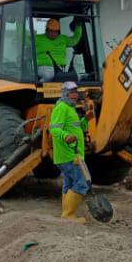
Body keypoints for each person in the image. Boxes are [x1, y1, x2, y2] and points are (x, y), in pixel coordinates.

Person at [48, 81, 89, 222]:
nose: (75, 95)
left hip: (73, 153)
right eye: (72, 92)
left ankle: (65, 214)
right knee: (82, 182)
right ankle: (68, 214)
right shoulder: (62, 107)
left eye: (76, 92)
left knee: (69, 183)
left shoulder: (71, 108)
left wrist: (86, 120)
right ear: (65, 93)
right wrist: (65, 136)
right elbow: (53, 128)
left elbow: (77, 128)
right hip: (69, 154)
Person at [34, 17, 83, 82]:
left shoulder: (63, 39)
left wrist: (78, 26)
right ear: (46, 29)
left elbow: (75, 40)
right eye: (51, 31)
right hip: (43, 66)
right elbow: (22, 39)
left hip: (61, 68)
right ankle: (39, 87)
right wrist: (19, 23)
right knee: (49, 75)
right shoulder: (36, 38)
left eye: (55, 31)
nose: (53, 33)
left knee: (77, 77)